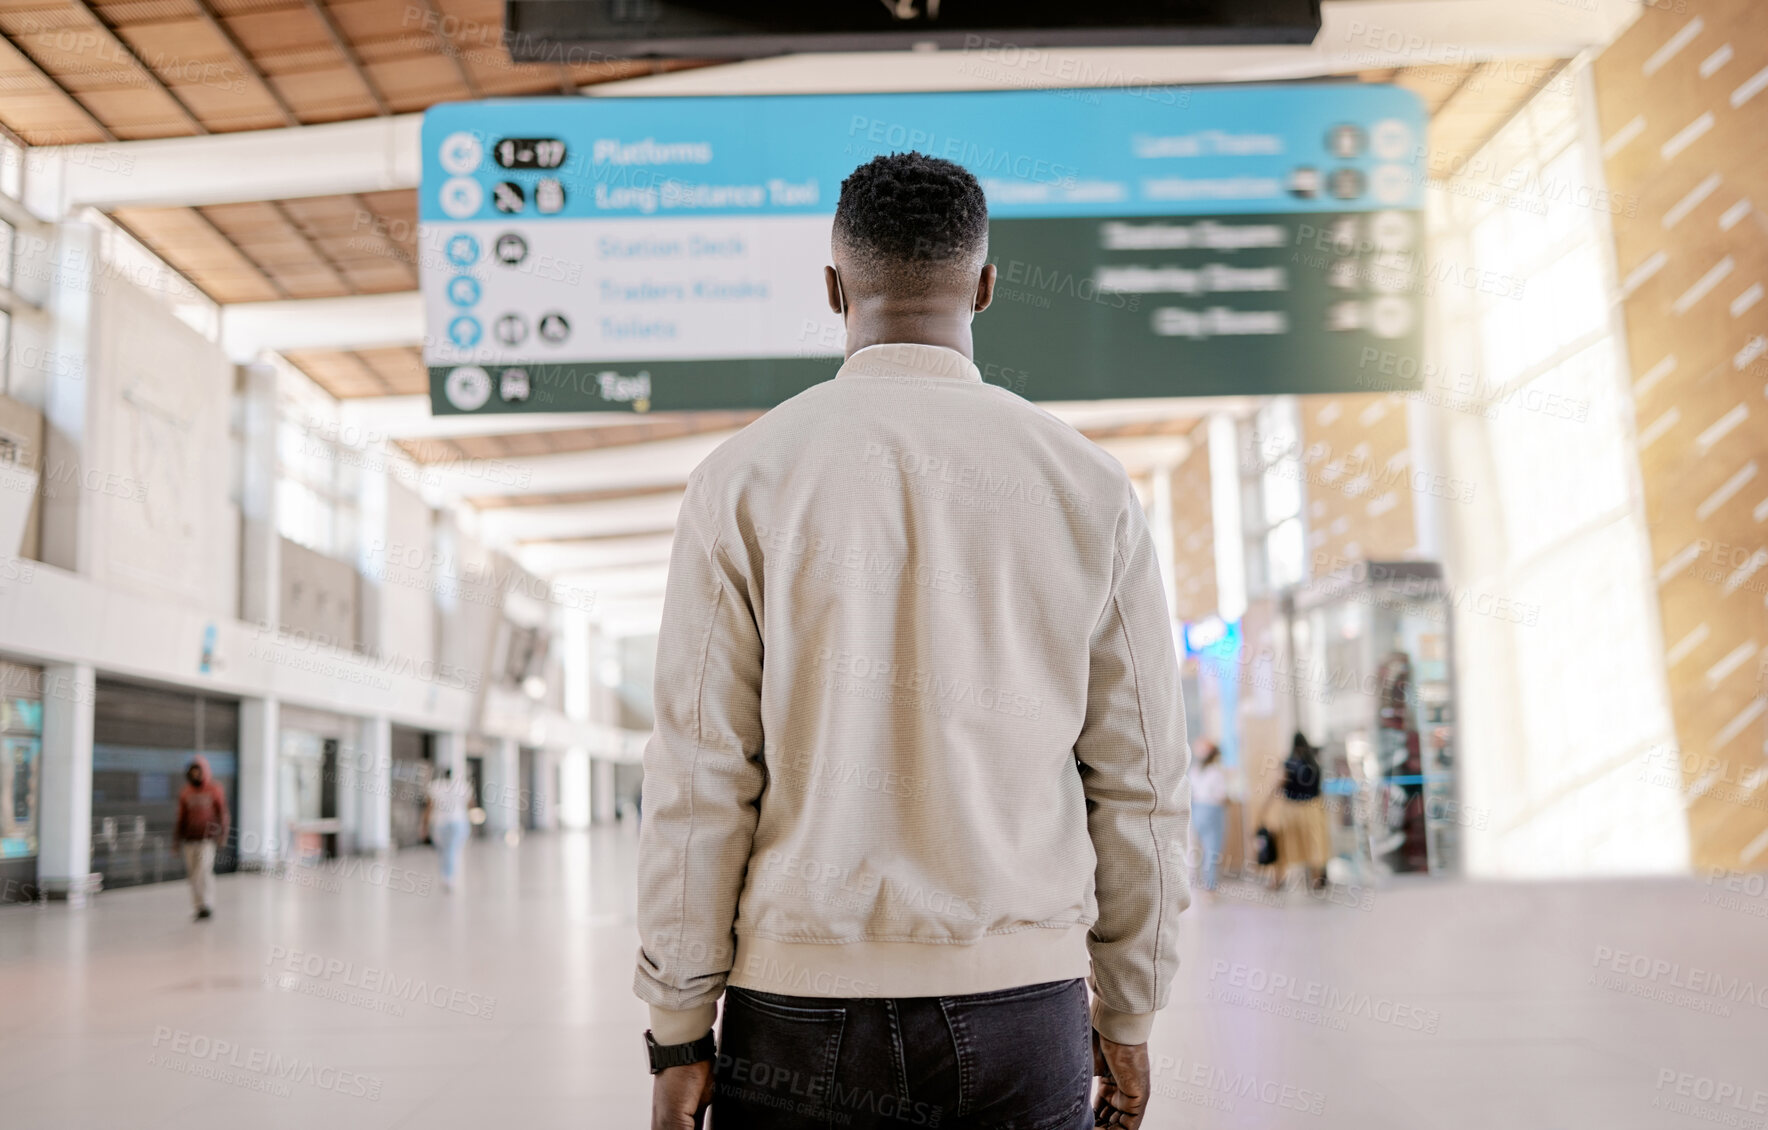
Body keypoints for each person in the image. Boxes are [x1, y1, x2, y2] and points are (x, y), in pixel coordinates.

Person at [635, 152, 1191, 1130]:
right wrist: (1131, 1004)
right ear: (984, 285)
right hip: (1021, 1003)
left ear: (833, 287)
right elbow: (1140, 775)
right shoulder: (1087, 485)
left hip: (796, 1005)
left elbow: (698, 772)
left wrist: (678, 1028)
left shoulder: (742, 479)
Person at [1259, 732, 1331, 892]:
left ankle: (1277, 881)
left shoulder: (1288, 763)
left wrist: (1264, 808)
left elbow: (1278, 785)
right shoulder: (1315, 764)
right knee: (1315, 844)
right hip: (1313, 809)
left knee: (1284, 845)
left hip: (1292, 810)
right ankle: (1317, 881)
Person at [172, 755, 228, 921]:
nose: (196, 775)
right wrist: (176, 841)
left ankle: (207, 904)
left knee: (203, 872)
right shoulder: (186, 792)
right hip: (189, 840)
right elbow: (180, 818)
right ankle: (198, 906)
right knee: (193, 875)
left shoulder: (214, 789)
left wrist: (222, 835)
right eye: (193, 772)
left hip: (207, 840)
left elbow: (222, 814)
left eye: (199, 772)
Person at [1191, 743, 1228, 896]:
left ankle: (1194, 883)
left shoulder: (1194, 771)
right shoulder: (1216, 773)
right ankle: (1210, 888)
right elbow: (1222, 796)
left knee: (1196, 849)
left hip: (1196, 810)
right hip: (1212, 811)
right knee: (1211, 851)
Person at [424, 767, 470, 892]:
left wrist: (424, 826)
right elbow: (469, 805)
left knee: (444, 850)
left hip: (439, 823)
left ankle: (447, 876)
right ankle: (450, 877)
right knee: (453, 850)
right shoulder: (462, 787)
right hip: (459, 821)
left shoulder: (434, 787)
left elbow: (429, 808)